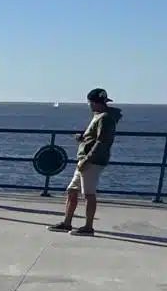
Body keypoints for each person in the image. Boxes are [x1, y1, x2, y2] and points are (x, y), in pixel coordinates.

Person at [50, 88, 122, 235]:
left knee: (89, 194)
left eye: (90, 103)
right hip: (85, 159)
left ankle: (88, 227)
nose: (89, 106)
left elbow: (103, 141)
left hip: (91, 161)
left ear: (94, 103)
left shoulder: (105, 118)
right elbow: (96, 138)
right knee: (72, 190)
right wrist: (83, 138)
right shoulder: (100, 116)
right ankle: (67, 223)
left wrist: (87, 159)